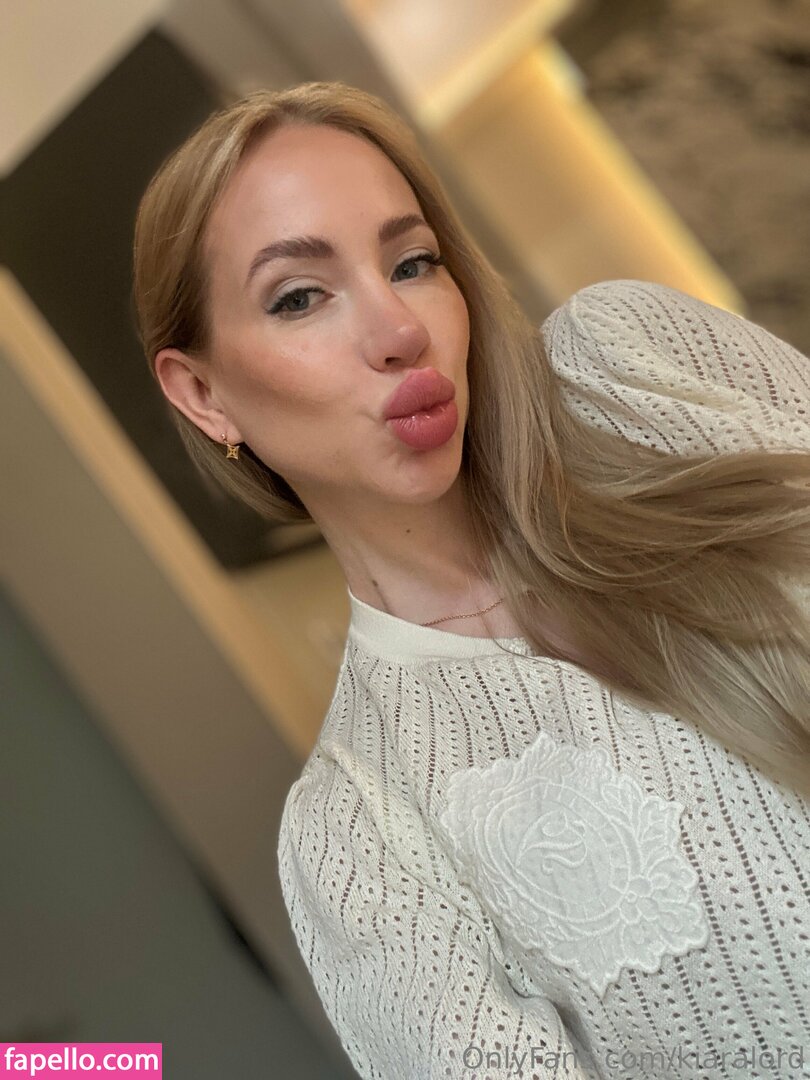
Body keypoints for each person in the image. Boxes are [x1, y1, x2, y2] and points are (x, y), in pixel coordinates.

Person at [132, 82, 810, 1079]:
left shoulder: (636, 365)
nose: (399, 328)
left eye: (412, 263)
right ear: (204, 394)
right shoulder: (360, 832)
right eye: (299, 297)